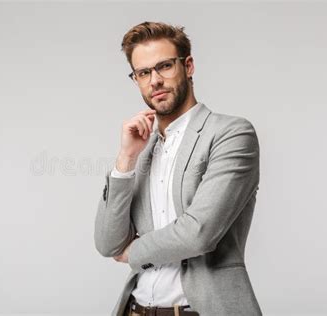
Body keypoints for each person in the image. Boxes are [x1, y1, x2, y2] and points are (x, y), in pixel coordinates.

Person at [94, 21, 262, 316]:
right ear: (136, 80)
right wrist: (125, 160)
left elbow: (199, 233)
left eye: (164, 66)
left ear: (188, 66)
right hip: (136, 309)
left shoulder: (231, 134)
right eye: (143, 73)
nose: (154, 80)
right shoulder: (141, 149)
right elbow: (108, 243)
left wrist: (134, 252)